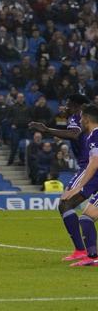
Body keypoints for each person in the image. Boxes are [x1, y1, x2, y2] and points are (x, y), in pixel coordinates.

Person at [30, 94, 90, 261]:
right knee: (69, 205)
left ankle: (82, 250)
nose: (65, 106)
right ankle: (82, 250)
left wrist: (47, 129)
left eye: (68, 104)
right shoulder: (83, 115)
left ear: (76, 105)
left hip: (89, 166)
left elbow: (74, 134)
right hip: (87, 164)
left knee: (65, 203)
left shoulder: (76, 117)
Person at [60, 103, 98, 266]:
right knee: (86, 218)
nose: (79, 120)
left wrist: (77, 188)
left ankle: (92, 256)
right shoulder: (92, 135)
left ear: (87, 119)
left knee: (86, 218)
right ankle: (92, 256)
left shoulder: (95, 135)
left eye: (81, 117)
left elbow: (94, 162)